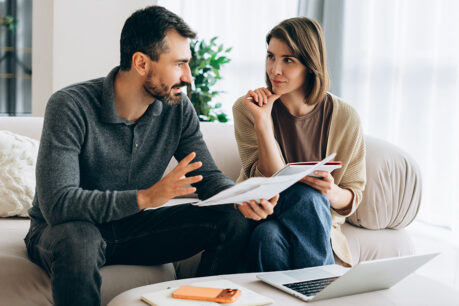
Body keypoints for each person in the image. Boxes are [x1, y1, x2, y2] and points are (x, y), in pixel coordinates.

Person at [24, 6, 278, 306]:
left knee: (231, 219)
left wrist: (240, 196)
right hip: (63, 231)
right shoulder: (71, 106)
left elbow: (206, 176)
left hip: (131, 229)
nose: (189, 77)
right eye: (180, 64)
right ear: (141, 63)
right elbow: (58, 205)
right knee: (80, 240)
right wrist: (144, 198)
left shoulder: (177, 109)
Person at [232, 17, 366, 272]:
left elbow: (353, 195)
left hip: (310, 223)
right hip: (266, 209)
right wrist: (262, 121)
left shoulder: (346, 117)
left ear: (310, 65)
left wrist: (329, 191)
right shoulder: (248, 109)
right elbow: (266, 179)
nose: (275, 70)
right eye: (271, 57)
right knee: (303, 197)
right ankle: (323, 288)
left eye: (288, 60)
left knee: (268, 238)